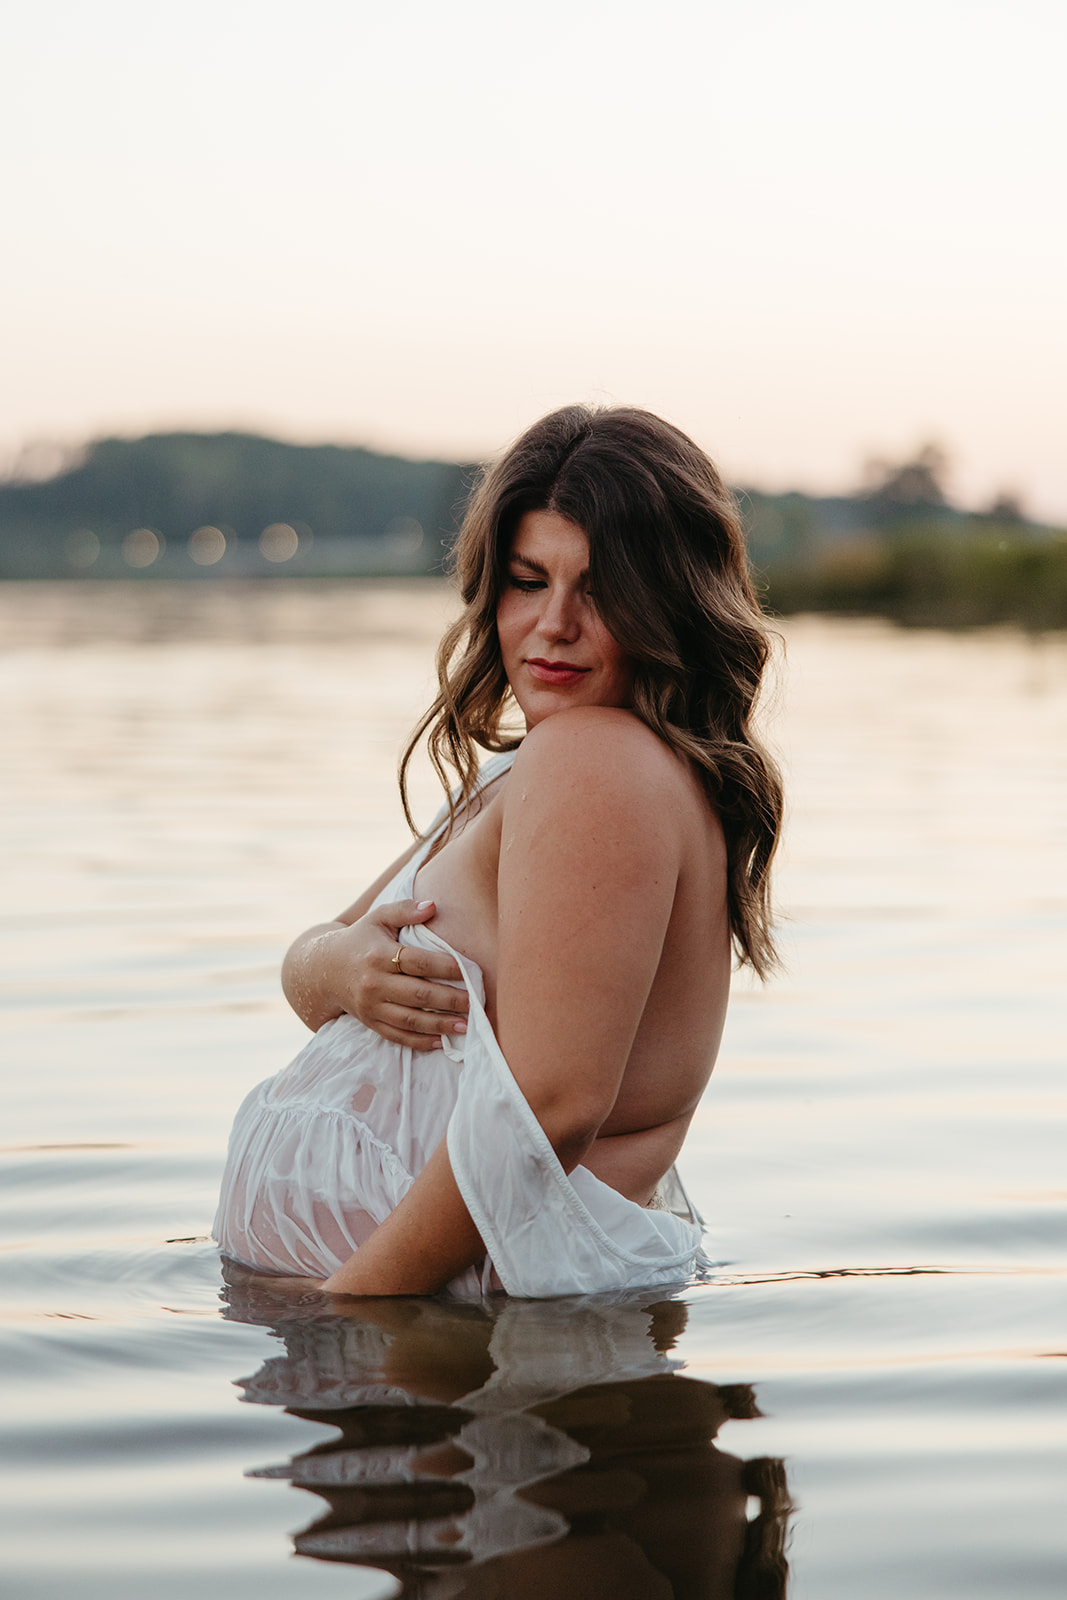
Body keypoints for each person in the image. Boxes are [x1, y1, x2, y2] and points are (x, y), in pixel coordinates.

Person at [213, 404, 782, 1298]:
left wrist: (360, 1309)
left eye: (598, 590)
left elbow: (551, 1109)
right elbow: (309, 964)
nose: (554, 624)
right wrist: (345, 968)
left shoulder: (594, 763)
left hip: (435, 1347)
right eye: (528, 581)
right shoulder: (534, 771)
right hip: (418, 1338)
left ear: (669, 602)